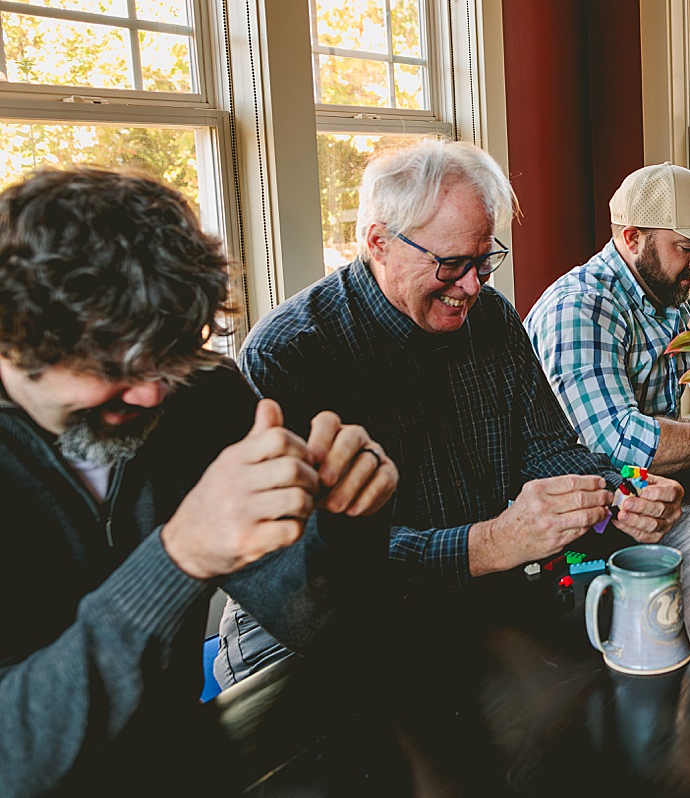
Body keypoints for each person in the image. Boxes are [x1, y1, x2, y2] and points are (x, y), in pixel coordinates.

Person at [216, 140, 685, 684]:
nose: (472, 286)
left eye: (485, 260)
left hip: (461, 613)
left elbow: (548, 449)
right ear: (379, 244)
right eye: (452, 264)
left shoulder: (491, 320)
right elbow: (314, 576)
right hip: (302, 651)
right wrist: (489, 543)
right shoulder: (291, 353)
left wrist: (624, 490)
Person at [0, 168, 397, 797]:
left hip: (186, 761)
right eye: (112, 364)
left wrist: (343, 522)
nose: (151, 390)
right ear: (15, 334)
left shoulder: (198, 394)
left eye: (169, 351)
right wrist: (178, 557)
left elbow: (311, 618)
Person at [525, 162, 690, 473]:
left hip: (647, 492)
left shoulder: (677, 296)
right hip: (580, 503)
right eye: (686, 247)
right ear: (633, 239)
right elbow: (619, 444)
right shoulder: (581, 308)